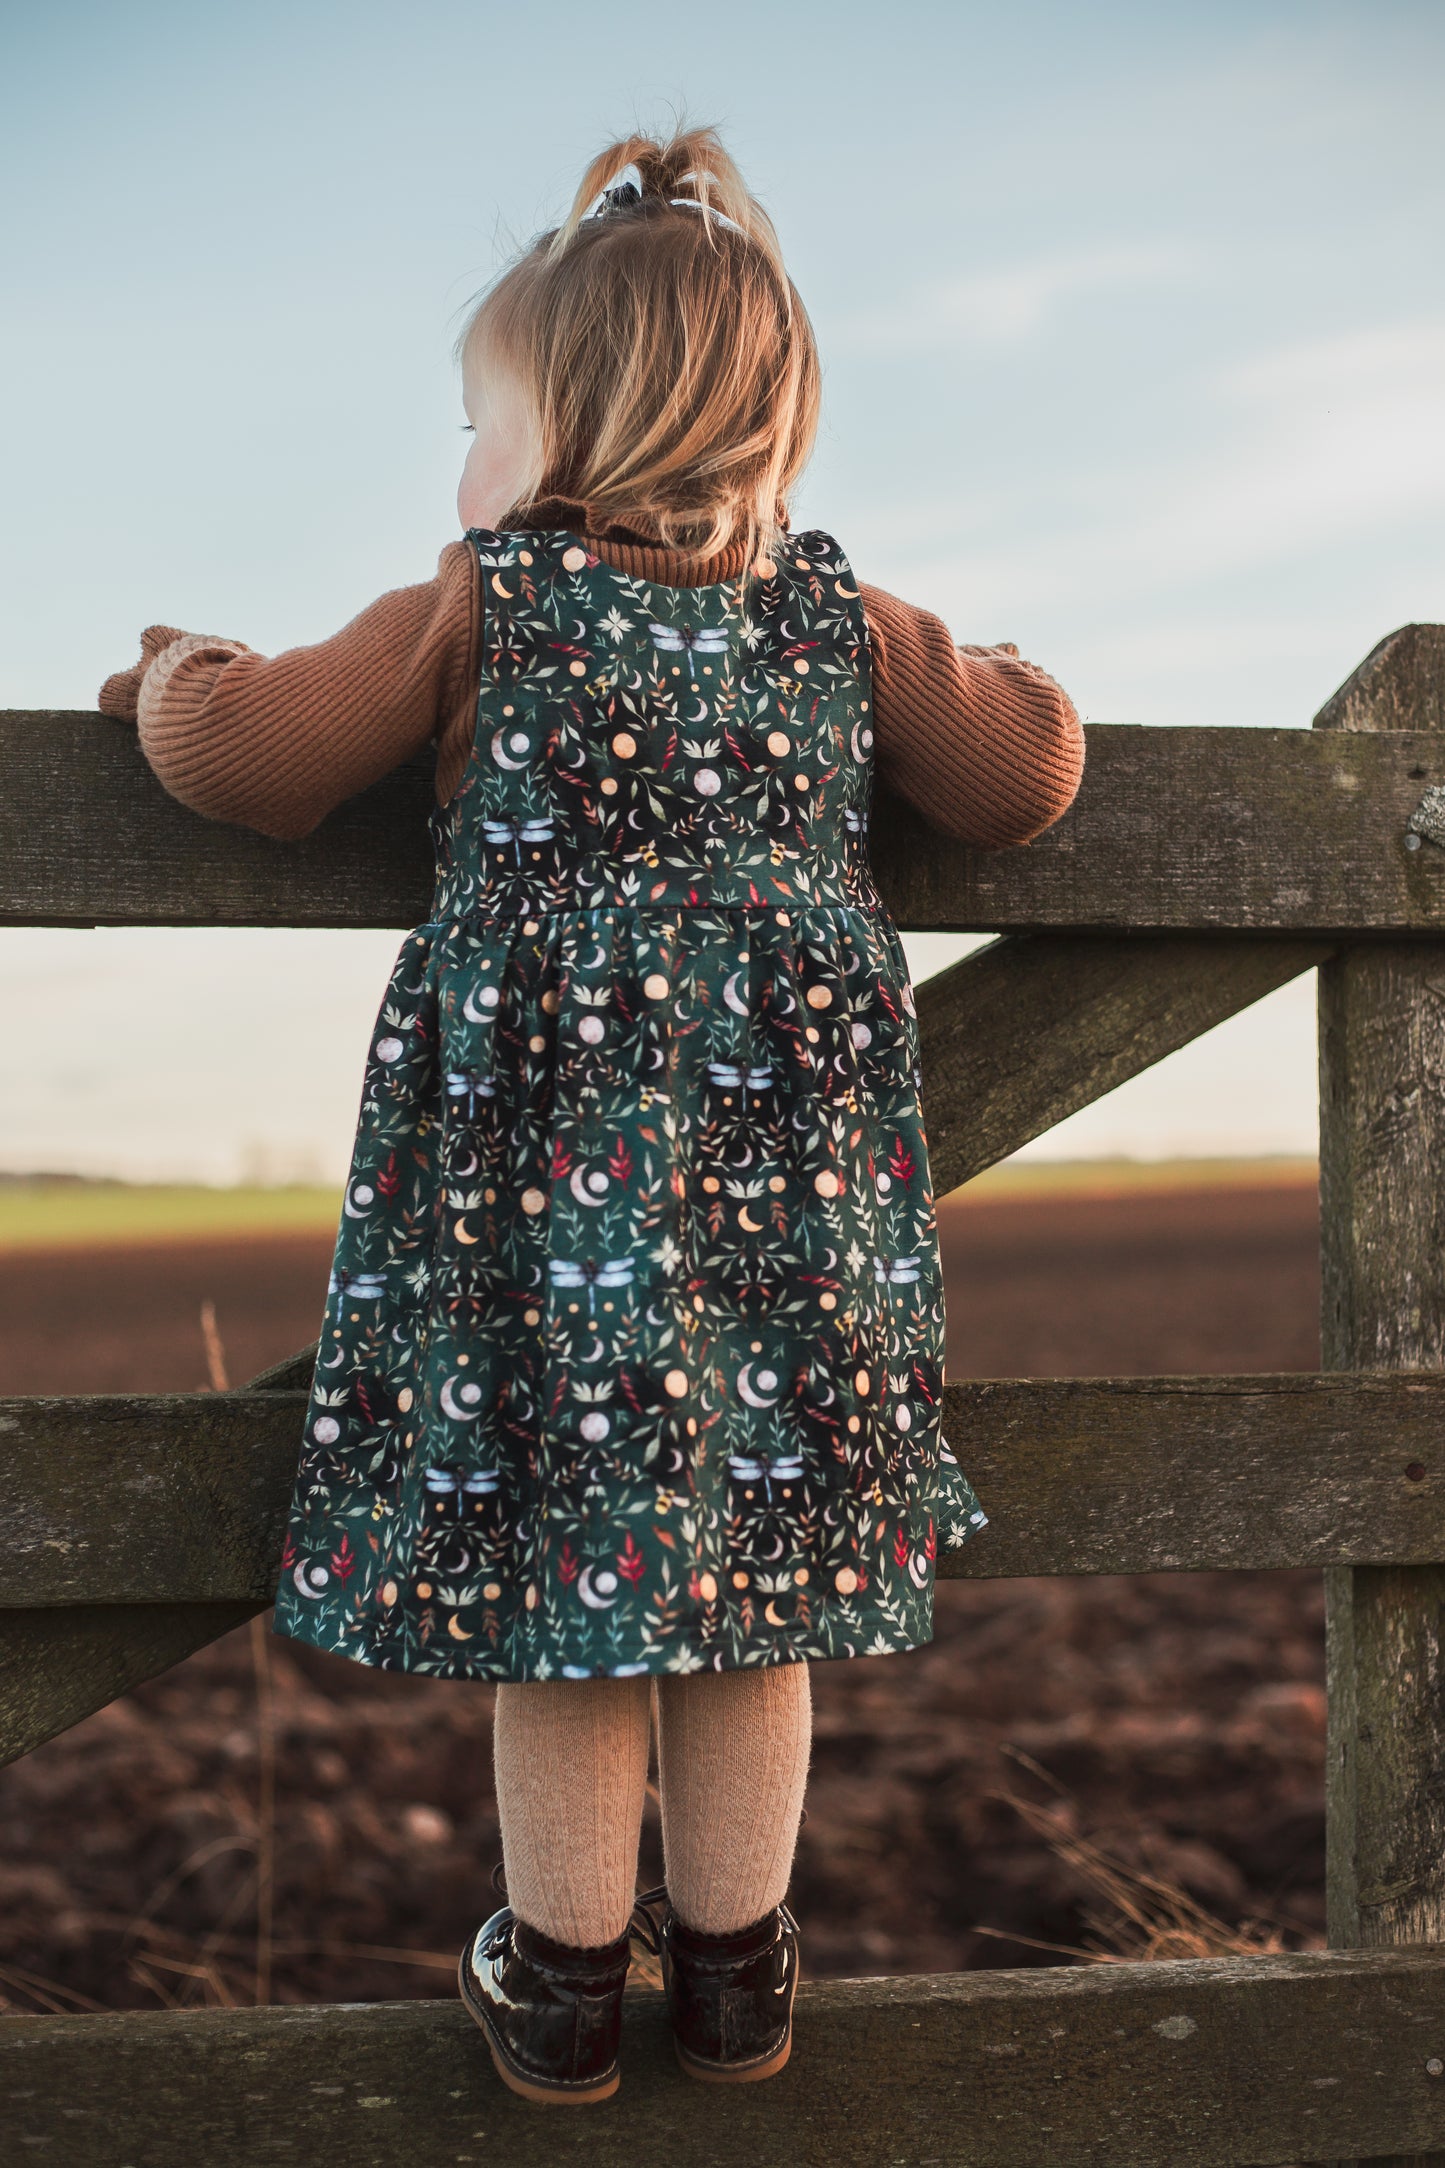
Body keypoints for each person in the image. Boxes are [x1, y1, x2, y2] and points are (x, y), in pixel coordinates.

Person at [100, 125, 1084, 2104]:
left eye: (476, 417)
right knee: (755, 1580)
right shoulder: (843, 623)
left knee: (565, 1583)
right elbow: (1028, 771)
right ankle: (736, 1974)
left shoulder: (488, 597)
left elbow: (250, 752)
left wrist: (169, 666)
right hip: (785, 1229)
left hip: (544, 1228)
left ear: (562, 435)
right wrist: (1000, 666)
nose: (458, 460)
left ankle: (560, 1982)